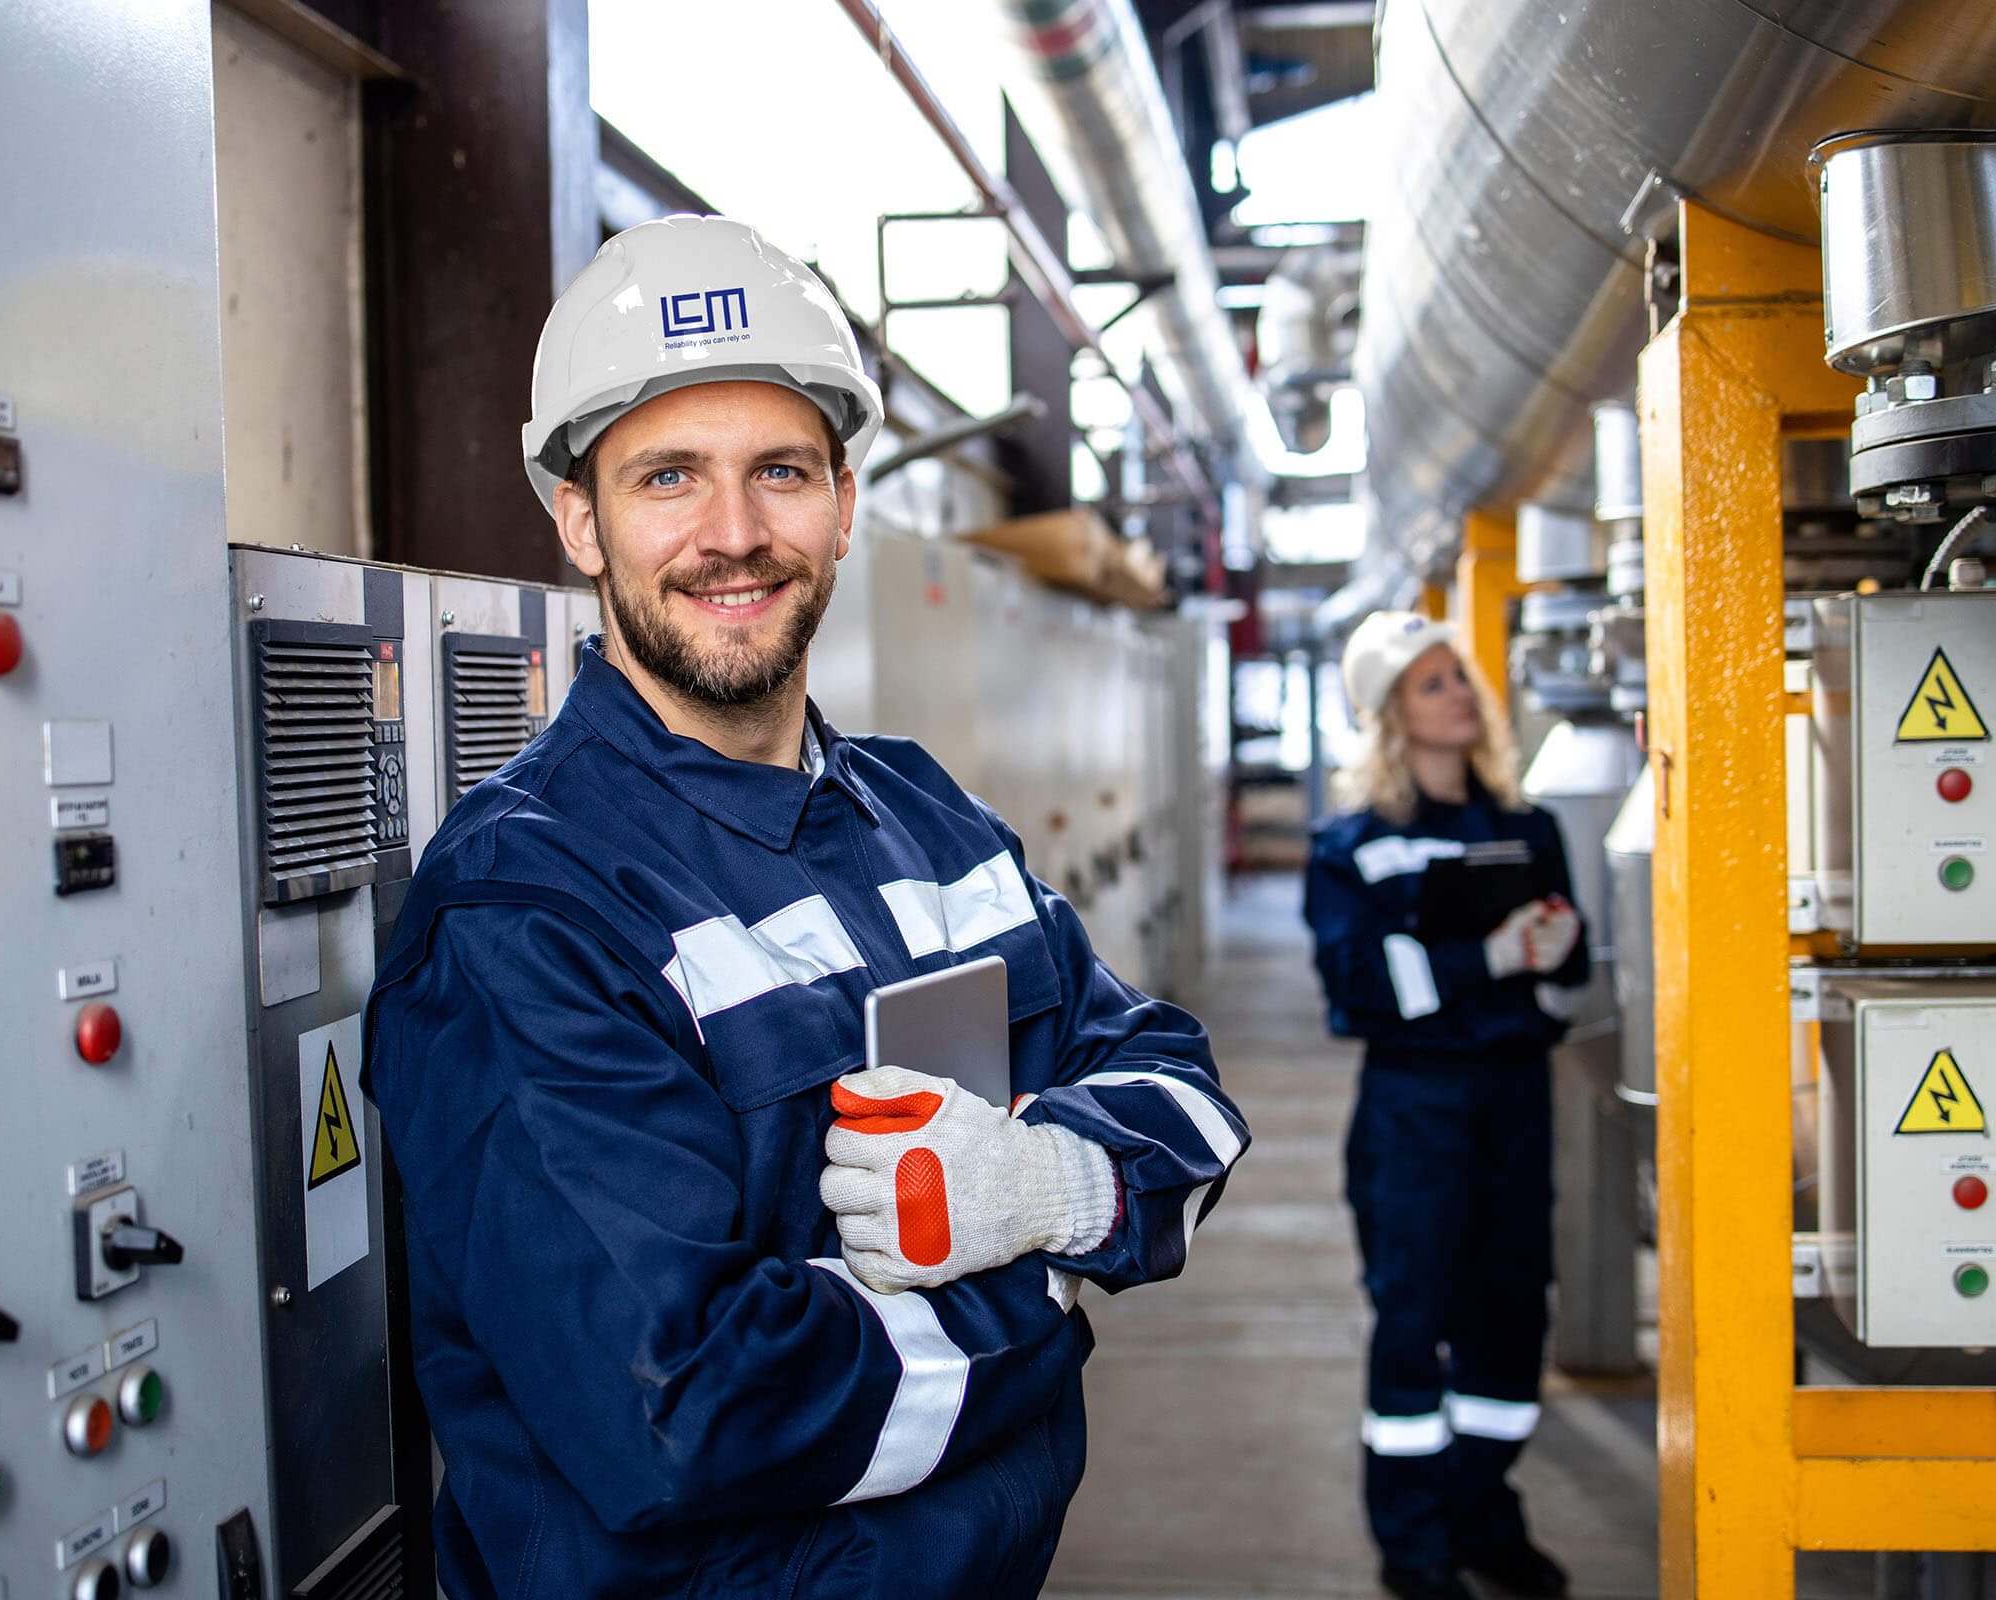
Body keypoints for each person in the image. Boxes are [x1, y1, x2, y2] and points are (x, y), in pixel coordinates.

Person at [362, 214, 1248, 1600]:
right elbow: (685, 1415)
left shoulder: (924, 815)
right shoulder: (523, 910)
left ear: (843, 504)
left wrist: (1047, 1182)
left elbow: (1181, 1094)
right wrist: (1055, 1274)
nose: (733, 536)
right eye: (670, 478)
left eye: (778, 470)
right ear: (581, 522)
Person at [1302, 612, 1588, 1600]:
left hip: (1516, 1096)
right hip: (1414, 1107)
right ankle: (1415, 1545)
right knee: (1415, 1317)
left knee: (1510, 1314)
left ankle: (1485, 1514)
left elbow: (1571, 975)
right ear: (1388, 715)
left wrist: (1553, 954)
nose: (1458, 694)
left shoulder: (1527, 826)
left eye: (1459, 677)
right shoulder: (1353, 846)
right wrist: (1488, 959)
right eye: (1430, 684)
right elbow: (1358, 984)